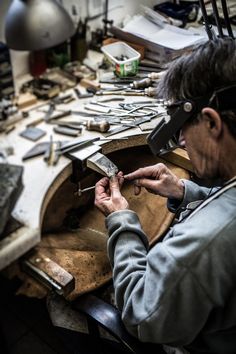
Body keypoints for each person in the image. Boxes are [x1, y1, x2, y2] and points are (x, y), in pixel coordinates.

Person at [94, 38, 236, 354]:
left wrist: (122, 222)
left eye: (184, 127)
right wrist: (186, 192)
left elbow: (143, 314)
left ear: (212, 122)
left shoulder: (205, 243)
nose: (182, 142)